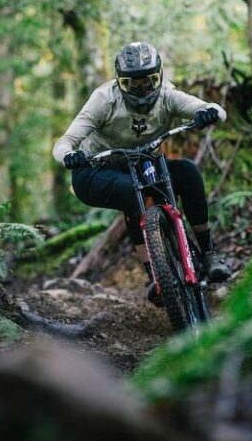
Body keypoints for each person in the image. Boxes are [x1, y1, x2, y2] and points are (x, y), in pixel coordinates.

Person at [52, 41, 231, 304]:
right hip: (96, 170)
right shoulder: (104, 99)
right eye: (132, 83)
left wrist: (209, 114)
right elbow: (63, 143)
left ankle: (209, 253)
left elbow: (216, 110)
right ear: (119, 82)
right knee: (129, 190)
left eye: (148, 81)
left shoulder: (168, 96)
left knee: (188, 172)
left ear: (159, 76)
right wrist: (70, 156)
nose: (142, 88)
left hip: (141, 164)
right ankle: (155, 275)